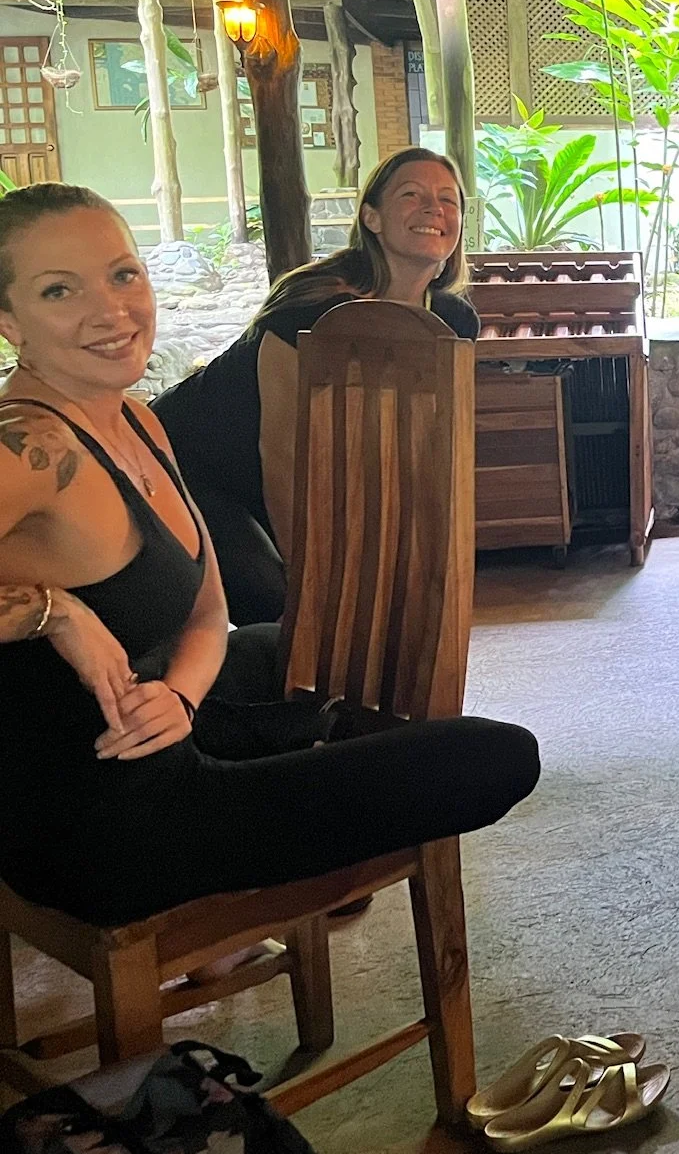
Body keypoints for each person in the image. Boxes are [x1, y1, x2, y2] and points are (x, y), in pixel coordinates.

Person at [0, 183, 537, 928]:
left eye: (123, 274)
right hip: (107, 825)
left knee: (297, 650)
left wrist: (184, 696)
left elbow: (208, 612)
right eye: (60, 290)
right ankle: (280, 818)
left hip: (158, 732)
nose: (110, 310)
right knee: (496, 756)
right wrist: (54, 614)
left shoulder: (135, 420)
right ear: (7, 321)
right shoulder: (29, 446)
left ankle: (298, 758)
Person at [153, 148, 476, 626]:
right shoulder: (315, 300)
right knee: (283, 604)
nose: (434, 209)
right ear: (372, 217)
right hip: (184, 465)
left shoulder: (452, 322)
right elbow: (281, 451)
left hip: (280, 480)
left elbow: (428, 443)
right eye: (412, 195)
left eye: (448, 200)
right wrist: (307, 569)